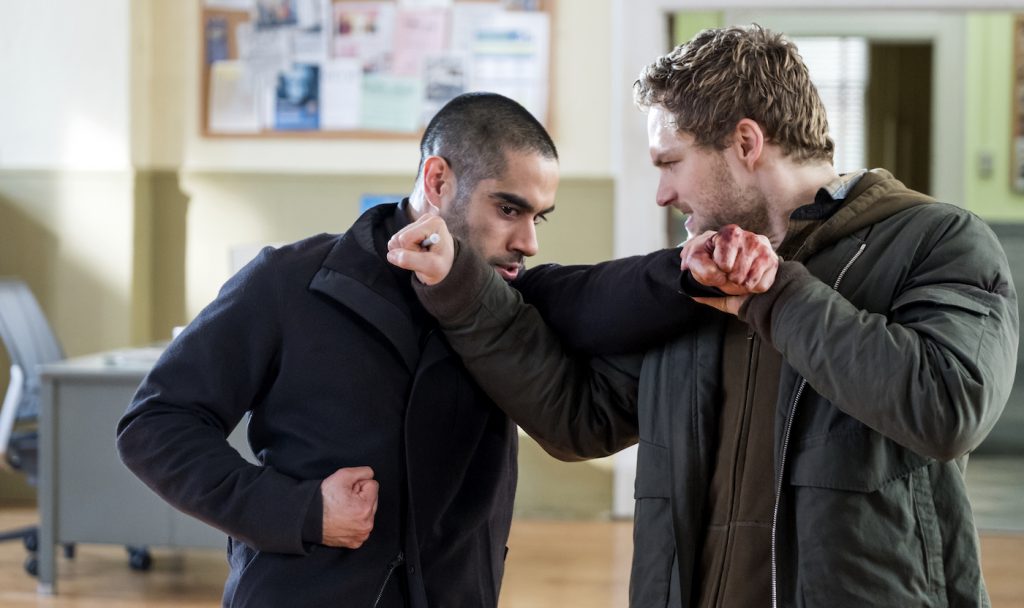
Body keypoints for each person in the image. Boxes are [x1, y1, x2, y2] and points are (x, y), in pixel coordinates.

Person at [388, 25, 1019, 607]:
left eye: (670, 162)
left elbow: (948, 404)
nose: (663, 193)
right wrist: (463, 293)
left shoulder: (939, 242)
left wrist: (772, 295)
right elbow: (578, 416)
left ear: (745, 142)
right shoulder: (698, 276)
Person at [117, 91, 691, 607]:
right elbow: (155, 424)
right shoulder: (287, 282)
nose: (529, 242)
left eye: (538, 217)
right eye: (509, 209)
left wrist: (699, 268)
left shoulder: (510, 300)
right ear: (438, 181)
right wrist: (299, 511)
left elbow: (607, 290)